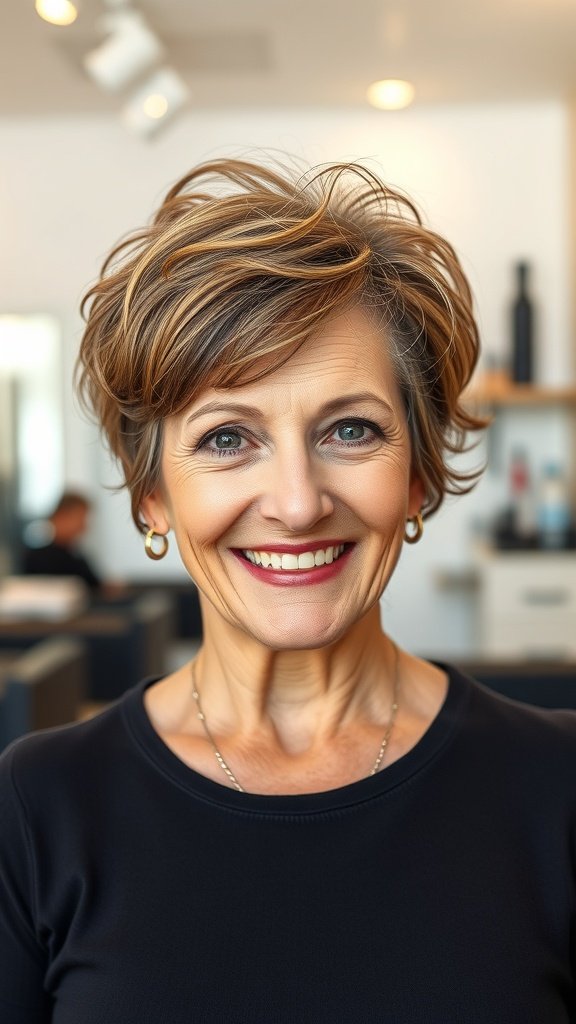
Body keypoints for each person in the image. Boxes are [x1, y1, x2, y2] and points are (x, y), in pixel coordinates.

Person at [1, 157, 575, 1023]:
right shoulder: (36, 809)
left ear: (418, 477)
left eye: (352, 429)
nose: (299, 503)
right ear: (153, 494)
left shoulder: (559, 785)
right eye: (228, 437)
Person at [21, 490, 101, 590]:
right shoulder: (38, 558)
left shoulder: (77, 556)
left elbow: (95, 587)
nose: (83, 526)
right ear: (60, 517)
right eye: (79, 518)